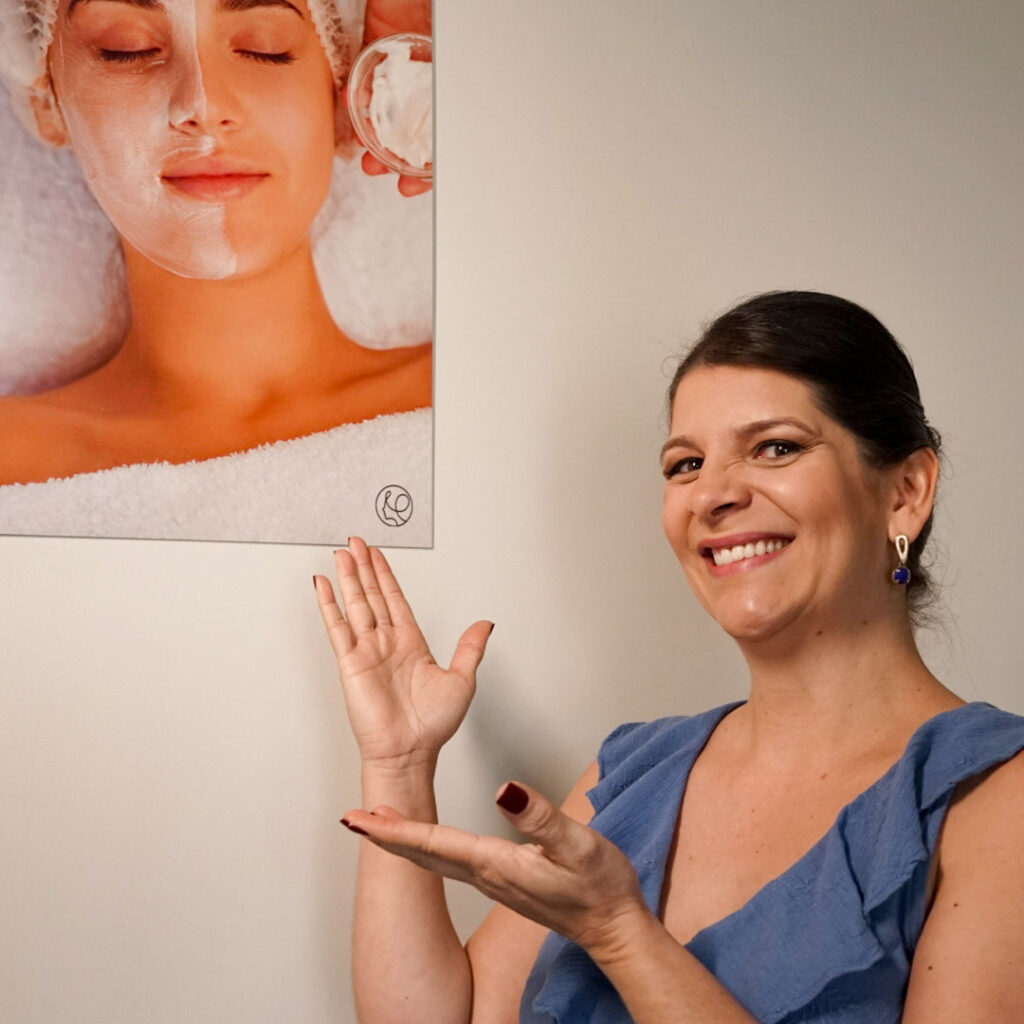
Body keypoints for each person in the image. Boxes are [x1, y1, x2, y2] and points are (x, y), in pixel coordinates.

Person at [312, 291, 1024, 1023]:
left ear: (906, 491)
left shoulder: (998, 797)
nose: (711, 494)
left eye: (776, 447)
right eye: (685, 464)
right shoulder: (631, 773)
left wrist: (620, 935)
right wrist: (399, 765)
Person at [0, 0, 430, 487]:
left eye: (265, 48)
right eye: (126, 48)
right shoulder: (11, 466)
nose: (204, 107)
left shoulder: (477, 395)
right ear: (48, 102)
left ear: (347, 89)